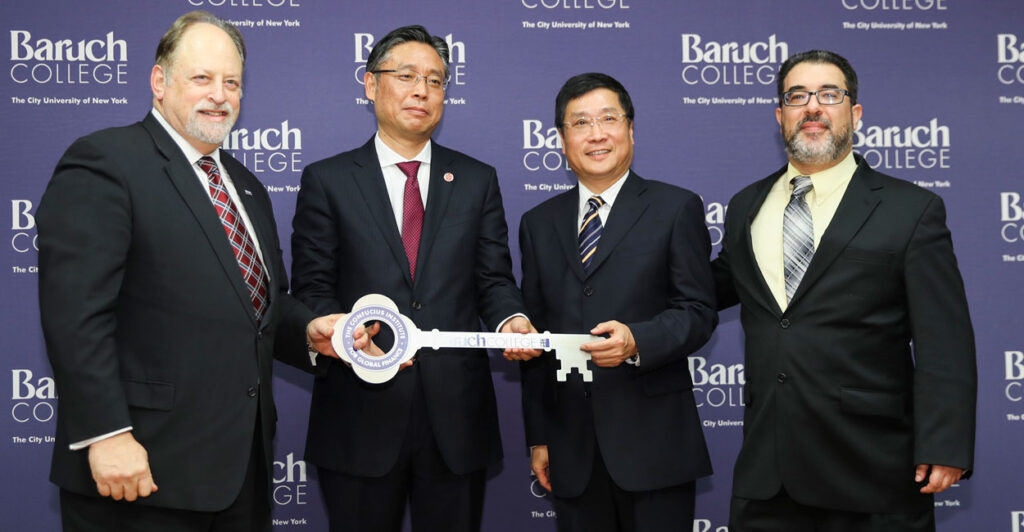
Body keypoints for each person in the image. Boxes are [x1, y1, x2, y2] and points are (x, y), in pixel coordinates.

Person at [37, 11, 345, 531]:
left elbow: (260, 306)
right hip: (140, 474)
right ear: (159, 81)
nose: (219, 95)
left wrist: (310, 334)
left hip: (240, 475)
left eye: (232, 83)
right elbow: (76, 313)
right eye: (202, 78)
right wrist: (106, 433)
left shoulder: (247, 187)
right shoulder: (106, 161)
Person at [712, 50, 977, 531]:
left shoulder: (911, 209)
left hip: (872, 471)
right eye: (797, 96)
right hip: (768, 476)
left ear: (854, 112)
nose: (812, 107)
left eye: (828, 94)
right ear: (780, 115)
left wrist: (946, 443)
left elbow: (946, 339)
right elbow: (705, 292)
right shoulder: (745, 206)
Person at [290, 24, 536, 532]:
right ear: (369, 83)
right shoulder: (327, 179)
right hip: (359, 414)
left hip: (455, 418)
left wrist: (511, 317)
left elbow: (493, 278)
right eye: (406, 75)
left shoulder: (476, 179)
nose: (422, 90)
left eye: (436, 80)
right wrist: (337, 330)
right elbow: (312, 288)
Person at [518, 72, 718, 532]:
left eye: (608, 118)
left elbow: (698, 311)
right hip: (571, 448)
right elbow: (537, 336)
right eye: (580, 123)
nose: (596, 133)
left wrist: (637, 340)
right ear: (562, 139)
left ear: (630, 129)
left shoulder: (675, 207)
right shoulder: (538, 222)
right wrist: (540, 436)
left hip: (656, 446)